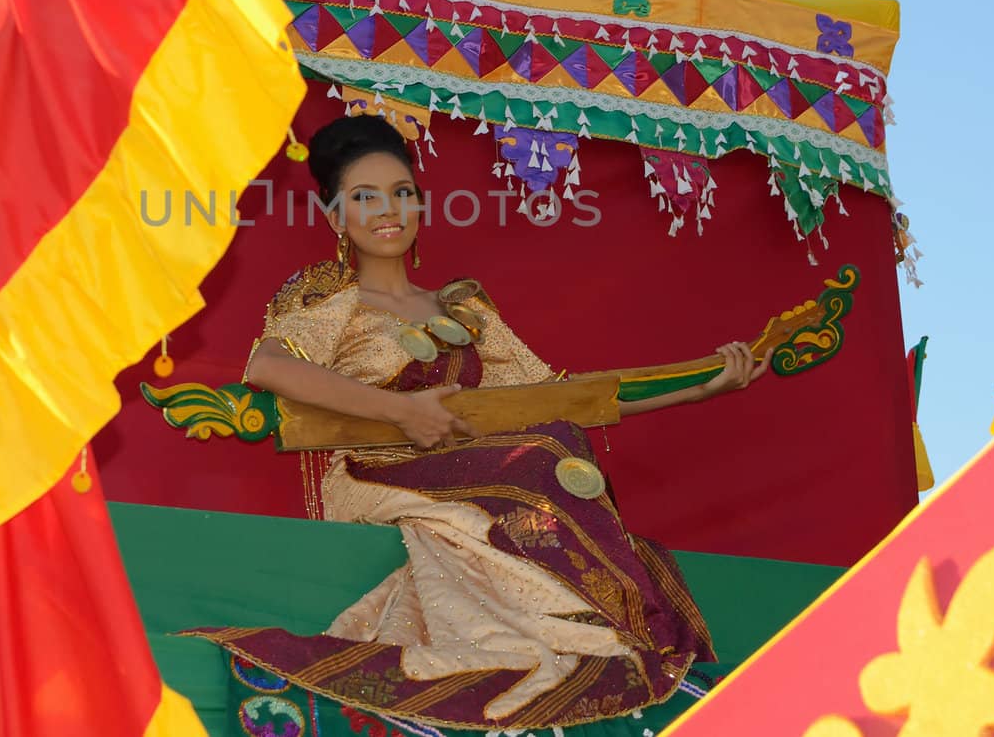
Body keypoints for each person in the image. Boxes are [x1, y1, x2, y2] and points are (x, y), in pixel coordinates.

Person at [184, 114, 766, 731]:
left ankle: (584, 632)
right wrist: (403, 410)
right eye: (364, 197)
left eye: (403, 193)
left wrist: (696, 392)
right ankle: (583, 639)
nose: (389, 210)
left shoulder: (464, 306)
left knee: (557, 444)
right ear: (336, 219)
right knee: (538, 457)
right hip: (372, 470)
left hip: (474, 469)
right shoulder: (330, 301)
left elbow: (555, 397)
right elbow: (267, 367)